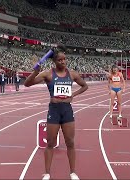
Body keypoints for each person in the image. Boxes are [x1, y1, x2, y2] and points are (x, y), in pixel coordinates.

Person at [24, 47, 88, 180]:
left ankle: (73, 172)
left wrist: (73, 94)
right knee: (50, 143)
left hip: (67, 110)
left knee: (70, 142)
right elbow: (27, 84)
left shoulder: (72, 74)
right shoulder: (48, 74)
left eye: (64, 59)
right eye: (60, 60)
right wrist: (35, 72)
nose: (63, 61)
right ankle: (47, 173)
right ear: (55, 61)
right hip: (54, 110)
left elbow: (85, 86)